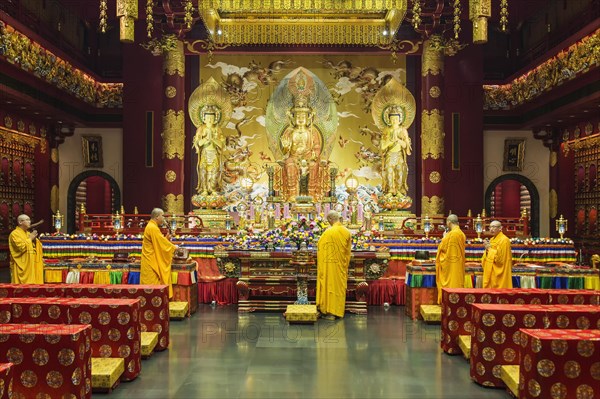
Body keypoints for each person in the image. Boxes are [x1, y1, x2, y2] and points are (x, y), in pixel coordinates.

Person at [280, 95, 323, 200]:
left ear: (308, 118)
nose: (300, 119)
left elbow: (317, 146)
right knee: (289, 163)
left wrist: (314, 155)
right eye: (298, 117)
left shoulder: (312, 132)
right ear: (293, 118)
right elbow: (285, 151)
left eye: (303, 117)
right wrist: (286, 147)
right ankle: (292, 193)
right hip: (294, 157)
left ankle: (312, 193)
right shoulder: (290, 132)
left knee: (313, 165)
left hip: (308, 157)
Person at [316, 210, 352, 320]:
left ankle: (329, 311)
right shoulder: (346, 231)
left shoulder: (328, 232)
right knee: (338, 286)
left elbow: (320, 248)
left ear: (330, 220)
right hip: (340, 265)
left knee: (329, 284)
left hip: (329, 265)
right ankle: (338, 311)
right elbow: (347, 252)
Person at [141, 208, 178, 298]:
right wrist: (174, 247)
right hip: (150, 261)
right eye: (162, 216)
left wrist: (166, 239)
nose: (164, 219)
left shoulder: (152, 226)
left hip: (151, 259)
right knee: (151, 284)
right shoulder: (152, 228)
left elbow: (158, 242)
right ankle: (151, 304)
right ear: (157, 217)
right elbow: (161, 244)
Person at [193, 105, 225, 195]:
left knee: (215, 171)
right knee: (203, 171)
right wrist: (207, 138)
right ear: (204, 118)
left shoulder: (217, 129)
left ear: (216, 118)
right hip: (205, 153)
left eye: (212, 117)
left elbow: (222, 144)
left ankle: (213, 189)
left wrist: (214, 139)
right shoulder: (201, 128)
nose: (210, 120)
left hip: (214, 153)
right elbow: (198, 142)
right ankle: (204, 190)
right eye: (208, 118)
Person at [380, 105, 411, 196]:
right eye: (392, 119)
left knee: (400, 171)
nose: (394, 121)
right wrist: (390, 141)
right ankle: (390, 190)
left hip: (399, 154)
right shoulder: (386, 130)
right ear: (388, 119)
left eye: (396, 119)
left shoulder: (402, 130)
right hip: (390, 154)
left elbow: (406, 145)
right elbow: (383, 146)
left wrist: (398, 140)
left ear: (400, 119)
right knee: (389, 171)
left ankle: (399, 190)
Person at [435, 214, 466, 304]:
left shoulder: (452, 234)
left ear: (448, 222)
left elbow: (444, 248)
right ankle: (457, 301)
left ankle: (450, 302)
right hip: (458, 263)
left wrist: (444, 238)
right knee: (457, 281)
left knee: (451, 283)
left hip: (451, 264)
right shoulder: (461, 233)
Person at [9, 214, 44, 284]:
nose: (29, 222)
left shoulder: (28, 233)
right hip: (22, 264)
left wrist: (35, 240)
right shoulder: (14, 234)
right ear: (20, 222)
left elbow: (36, 246)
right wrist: (30, 238)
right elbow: (20, 247)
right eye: (27, 220)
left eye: (29, 220)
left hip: (31, 263)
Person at [481, 220, 513, 288]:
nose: (491, 229)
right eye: (490, 227)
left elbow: (501, 260)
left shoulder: (504, 240)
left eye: (494, 227)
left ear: (500, 228)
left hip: (500, 271)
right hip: (491, 270)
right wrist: (487, 250)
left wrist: (489, 249)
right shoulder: (492, 239)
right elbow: (487, 256)